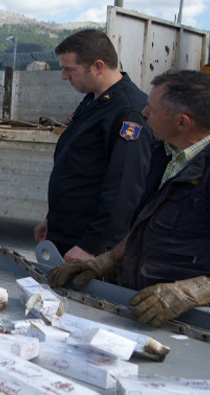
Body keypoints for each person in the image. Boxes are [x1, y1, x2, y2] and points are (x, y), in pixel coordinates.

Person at [49, 70, 210, 327]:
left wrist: (190, 293)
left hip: (191, 324)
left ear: (182, 122)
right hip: (140, 306)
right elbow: (146, 225)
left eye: (152, 110)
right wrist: (107, 261)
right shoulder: (164, 155)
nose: (144, 113)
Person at [34, 29, 155, 261]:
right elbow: (78, 170)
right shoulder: (94, 100)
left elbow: (124, 189)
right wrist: (53, 219)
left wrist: (92, 245)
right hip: (68, 232)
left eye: (69, 69)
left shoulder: (128, 112)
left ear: (98, 67)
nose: (63, 76)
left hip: (90, 245)